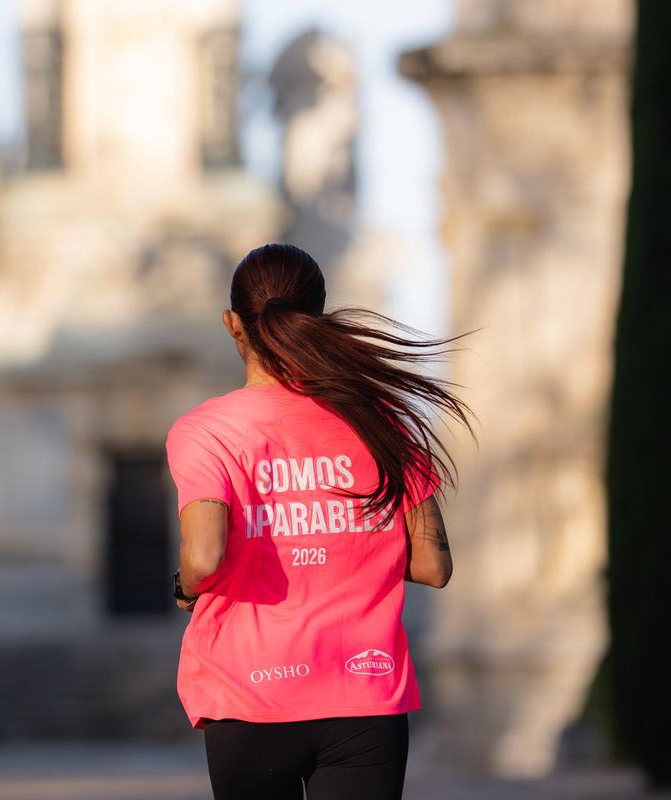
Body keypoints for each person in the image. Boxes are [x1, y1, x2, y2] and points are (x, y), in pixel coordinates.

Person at [165, 243, 471, 800]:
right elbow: (432, 565)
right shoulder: (383, 421)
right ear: (319, 319)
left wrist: (184, 588)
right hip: (364, 690)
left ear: (232, 325)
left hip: (249, 697)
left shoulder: (206, 430)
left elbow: (204, 559)